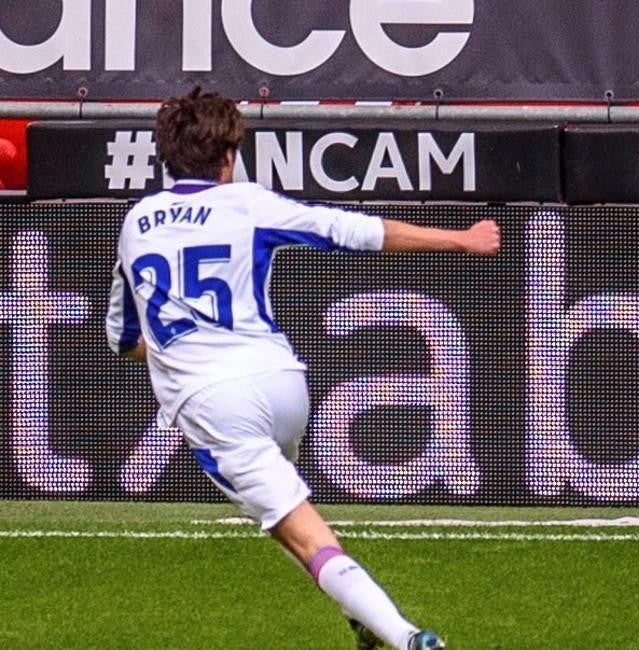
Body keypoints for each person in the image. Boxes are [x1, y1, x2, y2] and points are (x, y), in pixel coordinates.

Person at [106, 87, 500, 649]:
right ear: (227, 156)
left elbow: (123, 338)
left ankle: (409, 639)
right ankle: (360, 615)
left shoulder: (137, 223)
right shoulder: (248, 203)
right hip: (284, 385)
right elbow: (354, 231)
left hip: (217, 407)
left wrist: (176, 346)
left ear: (165, 156)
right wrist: (460, 240)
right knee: (293, 517)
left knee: (301, 536)